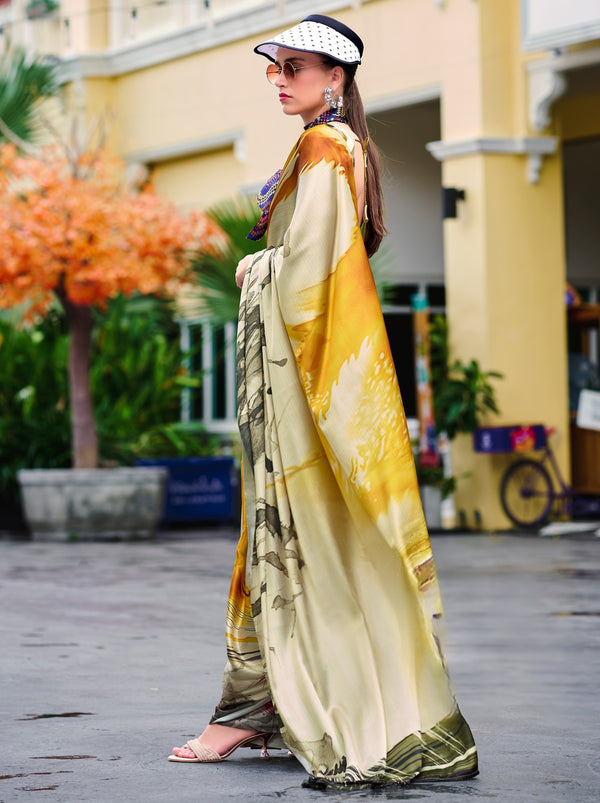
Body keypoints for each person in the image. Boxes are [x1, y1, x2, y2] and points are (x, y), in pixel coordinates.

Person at [170, 14, 478, 789]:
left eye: (297, 68)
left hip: (307, 375)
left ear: (336, 78)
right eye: (275, 68)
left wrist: (257, 269)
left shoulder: (324, 144)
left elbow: (312, 265)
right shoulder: (348, 146)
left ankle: (265, 710)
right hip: (323, 371)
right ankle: (263, 705)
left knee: (293, 531)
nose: (281, 79)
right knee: (316, 534)